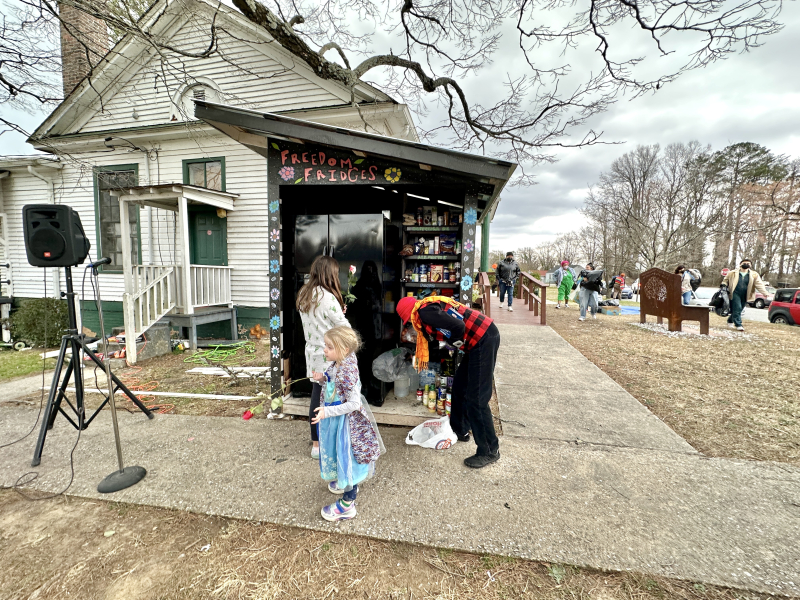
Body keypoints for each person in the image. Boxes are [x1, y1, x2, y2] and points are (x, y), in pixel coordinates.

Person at [396, 295, 501, 468]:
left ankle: (489, 450)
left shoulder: (424, 311)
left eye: (408, 322)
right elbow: (441, 340)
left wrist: (455, 342)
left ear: (410, 314)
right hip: (477, 343)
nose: (410, 325)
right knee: (460, 386)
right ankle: (460, 429)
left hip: (484, 338)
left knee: (477, 399)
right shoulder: (427, 312)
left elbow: (458, 326)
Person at [311, 326, 383, 521]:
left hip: (346, 426)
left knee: (347, 459)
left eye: (329, 347)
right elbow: (333, 384)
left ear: (343, 350)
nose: (325, 350)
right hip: (335, 423)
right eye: (325, 346)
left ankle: (347, 505)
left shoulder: (347, 371)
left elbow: (353, 403)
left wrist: (327, 411)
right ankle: (343, 480)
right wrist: (322, 379)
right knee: (338, 455)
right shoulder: (337, 364)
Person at [297, 255, 351, 459]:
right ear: (330, 274)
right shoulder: (328, 297)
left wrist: (338, 311)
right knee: (333, 398)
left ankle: (316, 445)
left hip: (312, 353)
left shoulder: (304, 292)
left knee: (316, 395)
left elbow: (318, 319)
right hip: (329, 355)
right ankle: (334, 441)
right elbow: (344, 327)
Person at [722, 259, 768, 332]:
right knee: (737, 307)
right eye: (744, 263)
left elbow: (759, 284)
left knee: (739, 309)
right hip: (735, 293)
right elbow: (725, 280)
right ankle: (738, 324)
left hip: (746, 294)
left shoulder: (754, 274)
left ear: (750, 265)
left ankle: (730, 320)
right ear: (740, 264)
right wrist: (723, 286)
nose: (746, 264)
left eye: (748, 263)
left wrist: (765, 292)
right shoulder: (732, 273)